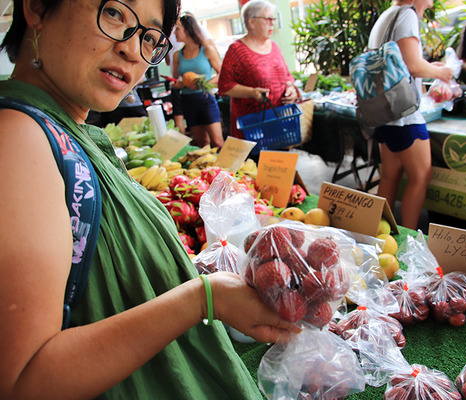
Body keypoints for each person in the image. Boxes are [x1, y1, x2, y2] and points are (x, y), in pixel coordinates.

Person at [0, 0, 300, 399]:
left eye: (150, 36)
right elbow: (25, 382)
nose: (131, 49)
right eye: (113, 13)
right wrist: (202, 298)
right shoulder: (18, 139)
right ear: (37, 7)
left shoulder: (67, 131)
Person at [368, 0, 453, 230]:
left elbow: (402, 62)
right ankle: (408, 238)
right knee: (420, 177)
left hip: (383, 112)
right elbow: (413, 66)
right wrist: (442, 72)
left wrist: (430, 67)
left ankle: (378, 234)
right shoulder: (408, 15)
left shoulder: (389, 14)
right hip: (404, 115)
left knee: (389, 177)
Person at [218, 0, 298, 140]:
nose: (272, 22)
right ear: (252, 23)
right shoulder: (236, 50)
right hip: (251, 126)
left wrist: (290, 88)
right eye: (267, 19)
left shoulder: (274, 46)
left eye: (273, 19)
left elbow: (287, 75)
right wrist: (252, 92)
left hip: (278, 120)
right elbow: (224, 86)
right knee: (255, 161)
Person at [172, 13, 224, 148]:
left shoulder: (207, 49)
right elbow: (175, 79)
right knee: (202, 144)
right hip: (187, 101)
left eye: (177, 29)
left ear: (187, 29)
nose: (175, 33)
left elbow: (222, 74)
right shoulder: (177, 55)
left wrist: (201, 84)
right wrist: (180, 84)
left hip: (206, 98)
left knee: (218, 142)